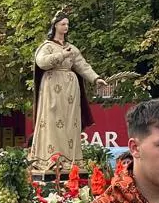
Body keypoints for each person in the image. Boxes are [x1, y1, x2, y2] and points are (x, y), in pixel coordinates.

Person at [31, 12, 112, 169]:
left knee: (71, 123)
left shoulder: (72, 48)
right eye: (63, 24)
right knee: (53, 121)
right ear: (55, 25)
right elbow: (41, 62)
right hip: (52, 86)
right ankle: (52, 159)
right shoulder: (47, 46)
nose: (66, 27)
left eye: (67, 24)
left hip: (70, 89)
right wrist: (62, 55)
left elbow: (82, 66)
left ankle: (71, 160)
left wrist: (96, 78)